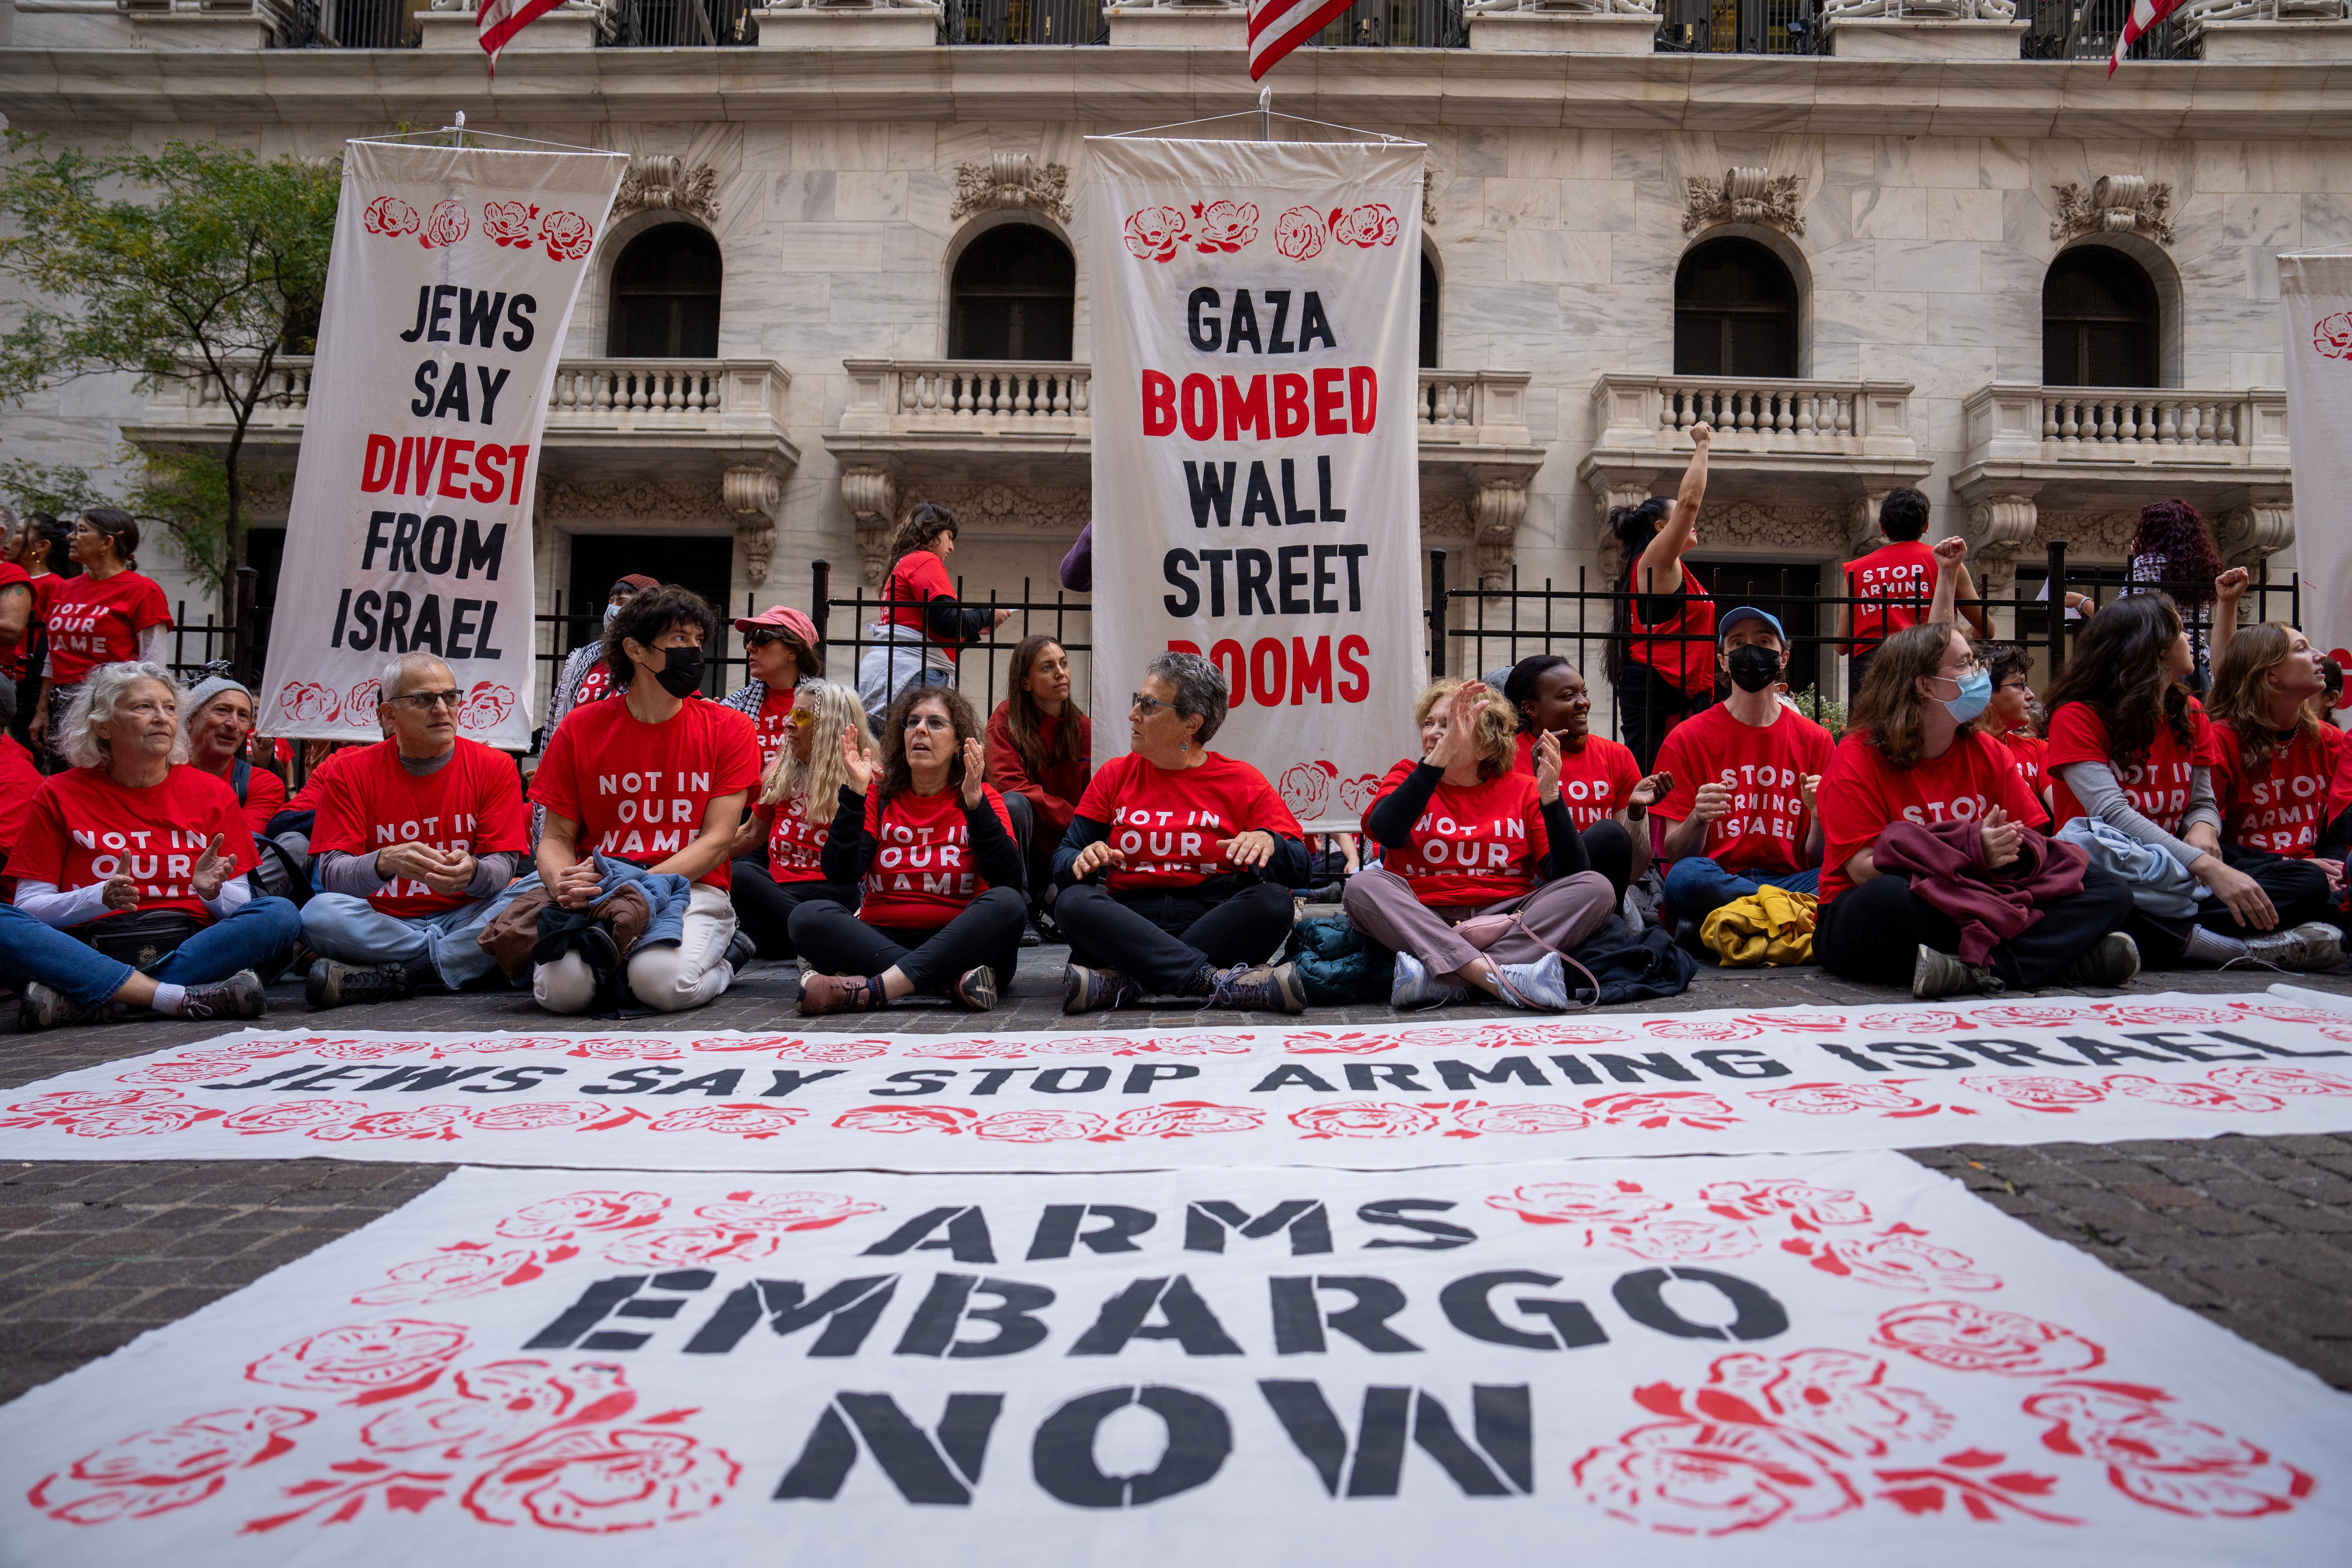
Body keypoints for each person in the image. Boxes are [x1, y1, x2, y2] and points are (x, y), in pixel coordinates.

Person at [1814, 621, 2139, 996]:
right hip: (1888, 907)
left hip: (1982, 897)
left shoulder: (1987, 750)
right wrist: (1970, 850)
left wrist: (2005, 853)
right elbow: (1863, 869)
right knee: (1888, 898)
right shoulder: (1856, 755)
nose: (1979, 674)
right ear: (1925, 685)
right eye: (1965, 664)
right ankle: (2060, 960)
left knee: (2110, 889)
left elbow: (2033, 839)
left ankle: (1973, 970)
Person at [2044, 592, 2341, 970]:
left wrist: (2205, 829)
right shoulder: (2077, 716)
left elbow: (2202, 803)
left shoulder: (2191, 711)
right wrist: (2208, 866)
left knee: (2307, 882)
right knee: (2108, 900)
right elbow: (2111, 813)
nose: (2189, 640)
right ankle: (2234, 949)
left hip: (2180, 867)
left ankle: (2174, 937)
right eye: (2181, 631)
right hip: (2113, 867)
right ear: (2154, 649)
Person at [0, 663, 294, 1029]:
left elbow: (243, 905)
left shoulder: (213, 793)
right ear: (102, 724)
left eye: (170, 708)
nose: (162, 718)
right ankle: (173, 997)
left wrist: (210, 893)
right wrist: (97, 897)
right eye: (143, 707)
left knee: (279, 914)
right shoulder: (58, 793)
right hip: (86, 947)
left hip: (189, 947)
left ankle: (98, 1000)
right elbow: (28, 907)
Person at [530, 584, 762, 1013]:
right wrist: (562, 881)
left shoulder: (730, 729)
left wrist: (639, 884)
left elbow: (717, 840)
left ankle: (728, 957)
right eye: (678, 639)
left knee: (661, 983)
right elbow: (556, 835)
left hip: (691, 888)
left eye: (697, 640)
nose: (693, 651)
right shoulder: (579, 729)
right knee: (561, 993)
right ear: (635, 649)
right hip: (599, 889)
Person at [1057, 652, 1309, 1014]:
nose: (1133, 714)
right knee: (1073, 901)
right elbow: (1064, 858)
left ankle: (1127, 981)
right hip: (1127, 924)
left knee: (1274, 902)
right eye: (1137, 701)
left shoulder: (1242, 781)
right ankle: (1216, 982)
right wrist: (1080, 859)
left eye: (1148, 705)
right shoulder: (1115, 774)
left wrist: (1272, 843)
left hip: (1207, 920)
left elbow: (1301, 867)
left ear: (1191, 723)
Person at [1345, 678, 1612, 1010]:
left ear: (1487, 746)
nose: (1433, 733)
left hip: (1506, 919)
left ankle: (1444, 976)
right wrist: (1440, 756)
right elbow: (1387, 832)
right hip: (1424, 916)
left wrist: (1552, 800)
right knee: (1363, 885)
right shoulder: (1406, 775)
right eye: (1430, 723)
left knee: (1597, 888)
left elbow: (1568, 874)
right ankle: (1495, 976)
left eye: (1452, 724)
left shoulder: (1524, 789)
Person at [299, 653, 533, 1008]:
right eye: (425, 699)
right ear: (388, 715)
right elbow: (333, 877)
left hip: (468, 913)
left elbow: (502, 868)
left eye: (450, 696)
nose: (442, 709)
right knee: (317, 916)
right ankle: (464, 959)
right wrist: (385, 861)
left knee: (542, 889)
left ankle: (404, 973)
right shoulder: (348, 772)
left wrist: (473, 871)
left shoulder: (496, 766)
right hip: (386, 921)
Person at [789, 685, 1025, 1013]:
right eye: (912, 721)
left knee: (1009, 904)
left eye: (936, 723)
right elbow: (841, 874)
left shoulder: (981, 795)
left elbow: (1008, 879)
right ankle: (947, 984)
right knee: (807, 916)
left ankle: (874, 989)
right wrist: (855, 794)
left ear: (959, 742)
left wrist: (976, 807)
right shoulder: (880, 795)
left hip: (960, 941)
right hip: (881, 938)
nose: (920, 729)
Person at [1651, 606, 1837, 930]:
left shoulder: (1817, 740)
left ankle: (1732, 921)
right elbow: (1677, 856)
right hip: (1718, 876)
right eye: (1737, 643)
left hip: (1794, 878)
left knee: (1850, 875)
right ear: (1723, 660)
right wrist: (1697, 818)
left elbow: (1821, 859)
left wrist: (1819, 816)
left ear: (1783, 658)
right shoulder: (1686, 738)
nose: (1750, 650)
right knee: (1685, 878)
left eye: (1764, 641)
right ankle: (1785, 915)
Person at [2202, 624, 2345, 930]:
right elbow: (2205, 839)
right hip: (2244, 874)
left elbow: (2336, 828)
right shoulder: (2220, 739)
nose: (2320, 656)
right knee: (2309, 885)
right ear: (2270, 675)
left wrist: (2335, 870)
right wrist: (2290, 865)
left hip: (2313, 876)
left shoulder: (2330, 740)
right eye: (2302, 649)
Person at [1500, 654, 1663, 900]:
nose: (1583, 703)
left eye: (1583, 693)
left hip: (1605, 893)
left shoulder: (1617, 756)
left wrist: (1636, 814)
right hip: (1531, 892)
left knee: (1608, 834)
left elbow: (1631, 872)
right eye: (1568, 696)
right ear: (1531, 708)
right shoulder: (1504, 759)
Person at [729, 678, 870, 960]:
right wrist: (689, 860)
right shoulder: (779, 773)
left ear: (829, 725)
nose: (788, 723)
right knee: (741, 874)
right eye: (790, 714)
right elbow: (748, 836)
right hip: (779, 897)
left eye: (801, 715)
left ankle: (815, 936)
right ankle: (821, 940)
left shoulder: (867, 778)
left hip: (838, 898)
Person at [1603, 421, 1714, 771]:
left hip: (1679, 687)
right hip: (1659, 687)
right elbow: (1690, 503)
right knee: (1660, 776)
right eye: (1678, 518)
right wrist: (1702, 445)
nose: (1692, 524)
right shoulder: (1655, 560)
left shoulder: (1670, 567)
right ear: (1662, 529)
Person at [28, 510, 172, 760]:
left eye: (82, 530)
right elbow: (54, 654)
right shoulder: (65, 588)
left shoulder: (143, 591)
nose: (71, 537)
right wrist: (42, 709)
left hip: (112, 705)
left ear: (107, 543)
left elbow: (153, 665)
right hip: (63, 703)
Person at [856, 501, 1015, 726]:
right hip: (912, 673)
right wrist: (987, 614)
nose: (951, 547)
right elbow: (947, 622)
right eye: (949, 536)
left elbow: (925, 628)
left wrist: (973, 630)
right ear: (931, 533)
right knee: (918, 756)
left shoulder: (903, 564)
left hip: (894, 673)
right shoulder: (925, 559)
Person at [1838, 487, 1983, 691]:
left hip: (1870, 672)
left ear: (1883, 528)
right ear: (1926, 526)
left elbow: (1842, 645)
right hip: (1924, 664)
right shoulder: (1946, 563)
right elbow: (1986, 627)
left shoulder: (1855, 570)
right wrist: (1959, 637)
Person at [985, 633, 1092, 910]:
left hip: (1065, 848)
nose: (1061, 673)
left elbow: (1099, 796)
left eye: (1064, 664)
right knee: (1013, 805)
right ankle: (1018, 908)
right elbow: (1010, 787)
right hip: (1023, 845)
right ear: (1026, 682)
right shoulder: (1005, 719)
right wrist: (1073, 817)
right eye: (1048, 667)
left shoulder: (1085, 728)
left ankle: (1049, 893)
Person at [2121, 500, 2242, 691]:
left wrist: (2138, 559)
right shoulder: (2203, 567)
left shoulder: (2147, 562)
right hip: (2198, 661)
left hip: (2162, 660)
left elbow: (2126, 612)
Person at [544, 573, 656, 738]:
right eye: (611, 603)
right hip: (580, 758)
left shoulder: (660, 662)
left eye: (623, 603)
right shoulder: (584, 660)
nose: (612, 610)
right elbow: (561, 718)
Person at [180, 670, 287, 835]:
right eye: (222, 710)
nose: (234, 724)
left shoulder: (264, 784)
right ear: (190, 719)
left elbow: (239, 845)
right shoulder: (156, 775)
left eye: (243, 716)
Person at [721, 605, 823, 768]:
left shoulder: (828, 706)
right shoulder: (733, 707)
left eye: (760, 637)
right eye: (748, 638)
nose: (750, 647)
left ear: (793, 651)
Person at [1979, 643, 2050, 807]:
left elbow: (2066, 815)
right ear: (1984, 691)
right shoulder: (1961, 753)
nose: (2031, 695)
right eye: (2020, 685)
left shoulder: (2037, 750)